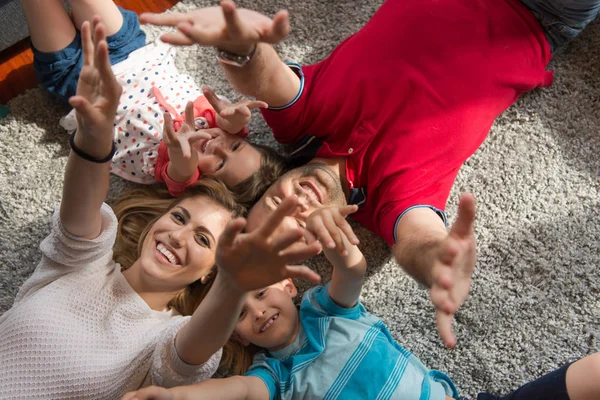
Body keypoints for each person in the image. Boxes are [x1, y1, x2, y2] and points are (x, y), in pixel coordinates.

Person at [140, 0, 600, 347]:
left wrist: (237, 43)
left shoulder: (302, 125)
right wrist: (441, 267)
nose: (295, 203)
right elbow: (418, 239)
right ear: (323, 241)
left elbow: (266, 76)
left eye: (274, 203)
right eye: (299, 224)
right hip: (538, 15)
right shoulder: (389, 201)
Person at [0, 19, 321, 398]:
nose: (178, 235)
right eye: (180, 217)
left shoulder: (167, 338)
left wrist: (235, 285)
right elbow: (80, 209)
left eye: (202, 239)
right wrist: (95, 135)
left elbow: (195, 348)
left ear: (210, 274)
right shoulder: (81, 262)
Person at [122, 205, 600, 400]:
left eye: (261, 295)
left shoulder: (326, 310)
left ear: (288, 286)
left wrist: (337, 244)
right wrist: (176, 396)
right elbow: (236, 393)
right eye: (240, 317)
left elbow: (351, 273)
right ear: (237, 335)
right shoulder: (274, 377)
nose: (258, 314)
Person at [21, 0, 284, 204]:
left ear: (206, 184)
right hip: (128, 49)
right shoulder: (222, 123)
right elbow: (232, 124)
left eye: (220, 164)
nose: (217, 146)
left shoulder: (180, 173)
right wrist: (234, 118)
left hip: (78, 78)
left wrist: (184, 157)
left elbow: (181, 171)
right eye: (235, 146)